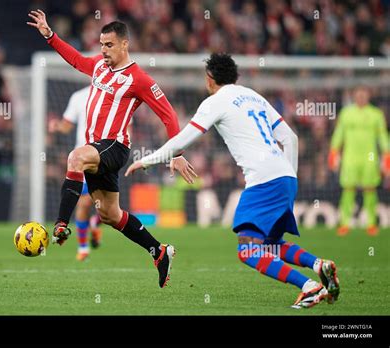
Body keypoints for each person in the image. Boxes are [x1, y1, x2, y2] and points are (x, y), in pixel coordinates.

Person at [126, 53, 340, 308]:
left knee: (247, 250)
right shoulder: (254, 96)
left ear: (210, 78)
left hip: (264, 180)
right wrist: (289, 177)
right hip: (285, 177)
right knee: (269, 244)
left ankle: (309, 286)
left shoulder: (215, 101)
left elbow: (183, 139)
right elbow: (290, 138)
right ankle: (319, 265)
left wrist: (147, 160)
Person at [27, 10, 194, 287]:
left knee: (75, 157)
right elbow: (76, 59)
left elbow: (168, 114)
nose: (103, 50)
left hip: (114, 146)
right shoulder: (99, 66)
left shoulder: (139, 79)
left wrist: (177, 154)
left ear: (124, 44)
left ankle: (59, 224)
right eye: (101, 44)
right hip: (97, 149)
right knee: (109, 215)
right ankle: (159, 252)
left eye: (109, 45)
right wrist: (50, 36)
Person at [49, 86, 102, 261]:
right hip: (84, 157)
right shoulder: (79, 96)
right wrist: (57, 125)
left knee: (107, 207)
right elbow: (66, 126)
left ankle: (95, 223)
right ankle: (83, 247)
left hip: (109, 155)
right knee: (84, 203)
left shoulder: (116, 93)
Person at [328, 85, 389, 236]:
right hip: (350, 158)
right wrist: (334, 151)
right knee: (348, 190)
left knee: (370, 190)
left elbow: (382, 135)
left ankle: (371, 224)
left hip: (369, 158)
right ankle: (344, 224)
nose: (361, 97)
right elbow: (339, 133)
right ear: (354, 96)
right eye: (358, 94)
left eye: (364, 94)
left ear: (368, 96)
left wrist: (387, 153)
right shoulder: (347, 113)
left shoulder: (376, 114)